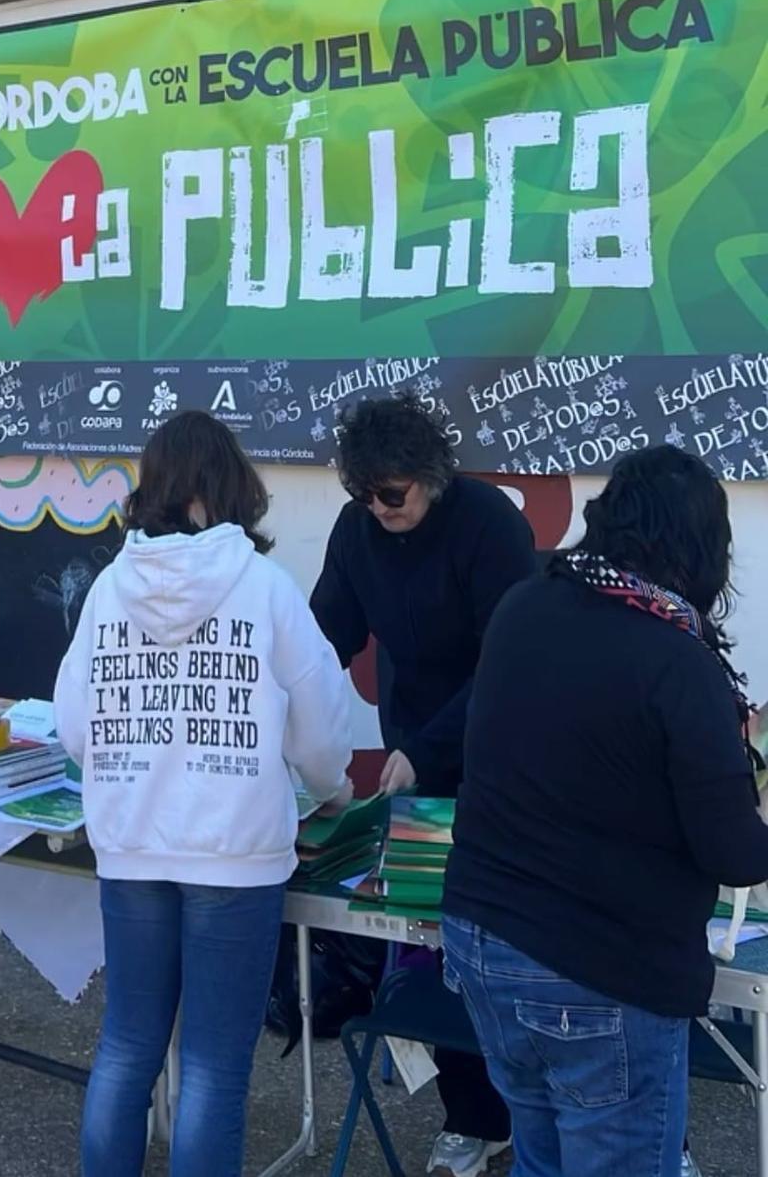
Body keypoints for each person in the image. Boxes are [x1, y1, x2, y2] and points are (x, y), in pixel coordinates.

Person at [442, 446, 768, 1177]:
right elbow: (737, 854)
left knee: (543, 1157)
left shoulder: (527, 604)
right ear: (701, 550)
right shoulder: (675, 659)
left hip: (484, 946)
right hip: (599, 974)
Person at [55, 411, 354, 1177]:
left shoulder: (108, 590)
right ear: (234, 487)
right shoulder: (265, 589)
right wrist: (329, 789)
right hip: (237, 855)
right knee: (216, 1070)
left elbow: (73, 724)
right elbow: (323, 731)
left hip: (131, 848)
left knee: (127, 1046)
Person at [310, 394, 535, 1176]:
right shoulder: (360, 530)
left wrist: (432, 748)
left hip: (499, 760)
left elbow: (508, 664)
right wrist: (280, 711)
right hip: (414, 749)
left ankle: (528, 1108)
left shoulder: (488, 526)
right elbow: (324, 634)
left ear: (432, 476)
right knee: (431, 941)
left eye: (392, 494)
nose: (377, 508)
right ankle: (473, 1116)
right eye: (362, 495)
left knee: (499, 946)